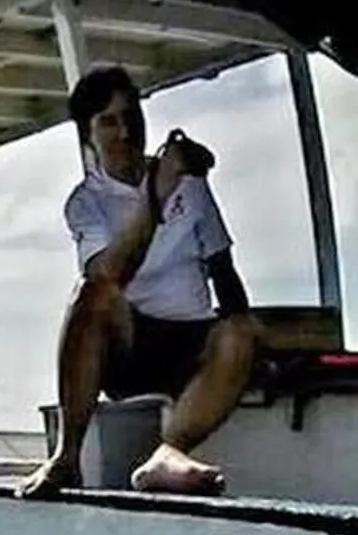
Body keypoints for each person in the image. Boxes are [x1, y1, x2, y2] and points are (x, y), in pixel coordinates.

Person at [17, 63, 262, 499]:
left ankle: (169, 454)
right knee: (92, 293)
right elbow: (110, 274)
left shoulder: (189, 183)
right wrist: (157, 193)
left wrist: (248, 348)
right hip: (129, 348)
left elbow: (222, 269)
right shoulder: (85, 203)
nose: (126, 132)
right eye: (108, 122)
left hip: (193, 342)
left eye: (131, 117)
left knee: (241, 329)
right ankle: (67, 458)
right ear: (88, 136)